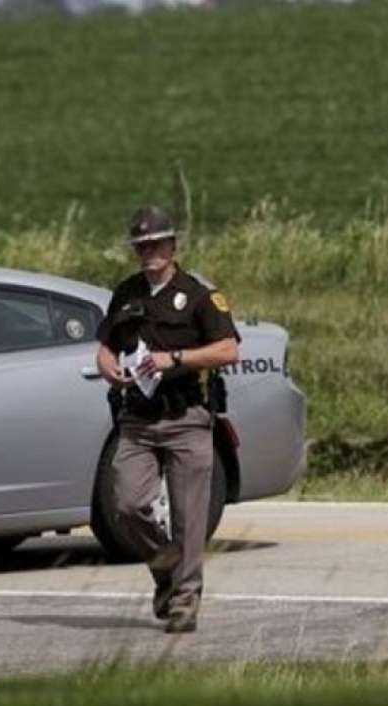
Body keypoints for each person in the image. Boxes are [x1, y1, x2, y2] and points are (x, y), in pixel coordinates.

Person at [95, 206, 241, 634]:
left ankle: (184, 600)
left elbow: (228, 350)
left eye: (156, 244)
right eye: (141, 245)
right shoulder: (125, 294)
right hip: (138, 419)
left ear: (173, 246)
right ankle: (166, 567)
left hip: (187, 417)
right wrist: (106, 366)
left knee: (188, 516)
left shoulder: (198, 294)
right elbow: (105, 345)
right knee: (127, 503)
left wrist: (173, 358)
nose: (149, 252)